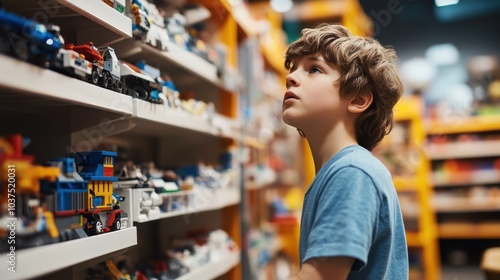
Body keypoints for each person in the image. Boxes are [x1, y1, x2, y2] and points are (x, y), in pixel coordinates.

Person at [282, 23, 408, 279]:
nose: (291, 77)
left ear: (358, 99)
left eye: (314, 69)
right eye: (294, 68)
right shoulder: (343, 170)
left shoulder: (351, 173)